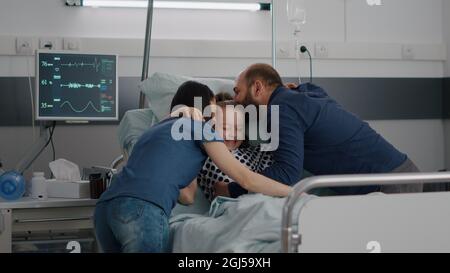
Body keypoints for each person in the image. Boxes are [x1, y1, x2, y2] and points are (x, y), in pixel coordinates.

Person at [94, 81, 291, 253]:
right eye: (213, 111)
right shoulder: (202, 129)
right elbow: (246, 179)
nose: (214, 120)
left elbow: (187, 197)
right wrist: (295, 192)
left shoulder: (153, 131)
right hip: (142, 209)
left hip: (104, 210)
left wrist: (191, 161)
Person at [219, 63, 422, 198]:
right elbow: (313, 92)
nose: (235, 99)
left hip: (390, 185)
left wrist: (232, 189)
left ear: (257, 88)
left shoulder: (281, 110)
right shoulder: (305, 92)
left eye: (237, 91)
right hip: (405, 172)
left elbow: (286, 173)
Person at [192, 94, 273, 202]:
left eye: (239, 128)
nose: (232, 134)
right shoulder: (205, 158)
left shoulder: (256, 152)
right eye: (225, 128)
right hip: (235, 207)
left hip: (266, 200)